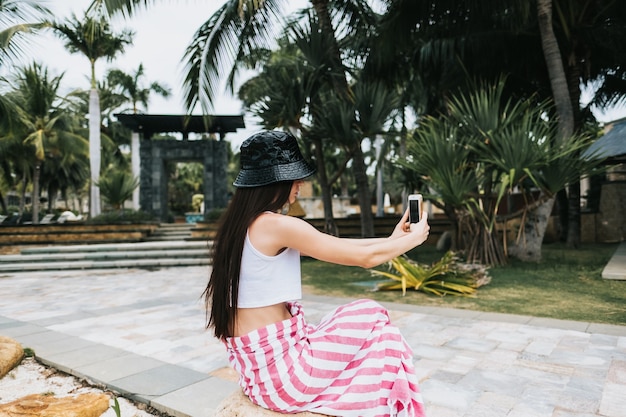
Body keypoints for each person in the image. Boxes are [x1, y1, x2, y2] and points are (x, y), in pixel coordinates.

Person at [203, 130, 429, 417]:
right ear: (274, 181)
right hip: (289, 379)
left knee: (351, 319)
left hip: (260, 378)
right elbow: (365, 259)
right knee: (375, 319)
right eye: (294, 177)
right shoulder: (275, 225)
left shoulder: (237, 228)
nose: (300, 184)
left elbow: (339, 245)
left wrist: (393, 239)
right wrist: (414, 239)